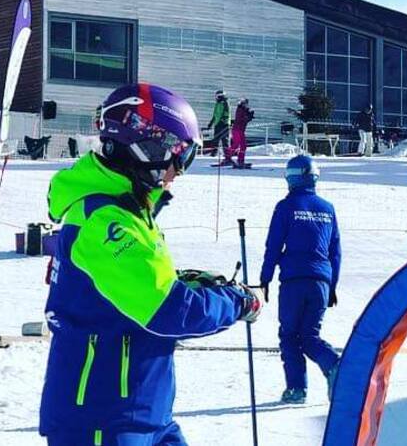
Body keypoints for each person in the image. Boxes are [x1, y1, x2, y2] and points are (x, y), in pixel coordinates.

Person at [40, 83, 262, 446]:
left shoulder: (128, 212)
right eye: (180, 156)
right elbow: (169, 311)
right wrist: (236, 303)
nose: (178, 172)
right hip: (102, 419)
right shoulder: (105, 223)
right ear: (148, 147)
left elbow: (139, 287)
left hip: (144, 411)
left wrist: (187, 282)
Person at [259, 154, 342, 404]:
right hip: (320, 281)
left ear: (291, 178)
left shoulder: (285, 207)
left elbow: (273, 245)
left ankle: (297, 389)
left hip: (294, 281)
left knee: (289, 334)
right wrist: (332, 285)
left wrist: (265, 278)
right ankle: (334, 365)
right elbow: (335, 252)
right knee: (309, 336)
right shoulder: (327, 209)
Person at [206, 89, 233, 165]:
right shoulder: (217, 104)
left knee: (225, 141)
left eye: (217, 96)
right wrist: (210, 124)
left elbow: (226, 113)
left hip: (224, 124)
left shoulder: (225, 103)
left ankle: (228, 157)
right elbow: (215, 115)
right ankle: (213, 153)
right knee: (215, 139)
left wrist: (223, 121)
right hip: (217, 124)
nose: (216, 98)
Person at [231, 98, 254, 169]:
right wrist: (249, 117)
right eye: (245, 103)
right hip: (237, 130)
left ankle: (240, 161)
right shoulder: (240, 109)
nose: (246, 105)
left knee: (243, 146)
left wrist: (249, 116)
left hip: (241, 130)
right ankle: (227, 157)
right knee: (236, 145)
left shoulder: (244, 110)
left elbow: (245, 119)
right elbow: (242, 119)